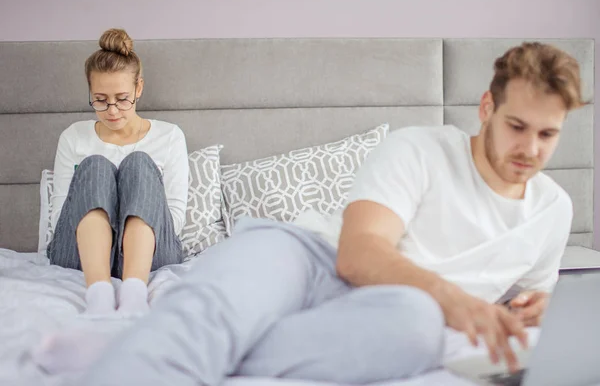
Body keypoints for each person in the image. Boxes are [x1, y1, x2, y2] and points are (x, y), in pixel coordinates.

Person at [40, 41, 583, 385]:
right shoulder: (420, 148)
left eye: (548, 135)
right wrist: (456, 299)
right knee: (239, 289)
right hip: (311, 255)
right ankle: (154, 348)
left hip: (399, 303)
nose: (530, 149)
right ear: (487, 108)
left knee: (418, 328)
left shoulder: (553, 210)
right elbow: (358, 253)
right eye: (517, 126)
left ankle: (142, 342)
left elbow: (528, 295)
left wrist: (536, 309)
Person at [46, 28, 189, 316]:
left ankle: (134, 294)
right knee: (95, 165)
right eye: (100, 99)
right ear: (89, 92)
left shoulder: (170, 136)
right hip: (79, 253)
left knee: (138, 162)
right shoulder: (73, 137)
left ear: (139, 89)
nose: (112, 110)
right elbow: (61, 212)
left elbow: (172, 217)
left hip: (149, 252)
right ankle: (98, 295)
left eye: (122, 98)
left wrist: (125, 233)